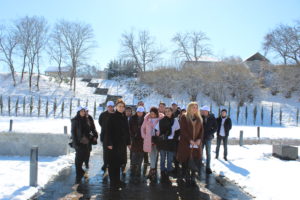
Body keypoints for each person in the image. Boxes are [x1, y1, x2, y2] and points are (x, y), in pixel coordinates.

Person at [106, 99, 131, 190]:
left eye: (122, 106)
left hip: (122, 144)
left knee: (119, 162)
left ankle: (118, 180)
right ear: (116, 107)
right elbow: (108, 131)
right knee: (113, 163)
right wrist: (109, 143)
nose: (121, 108)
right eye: (119, 106)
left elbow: (127, 131)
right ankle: (113, 182)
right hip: (113, 144)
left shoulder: (124, 117)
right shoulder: (112, 117)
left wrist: (128, 142)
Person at [177, 102, 204, 186]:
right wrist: (190, 140)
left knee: (195, 159)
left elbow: (201, 131)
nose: (195, 109)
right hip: (185, 143)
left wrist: (199, 139)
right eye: (193, 107)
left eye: (196, 107)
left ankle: (193, 176)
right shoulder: (184, 117)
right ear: (189, 108)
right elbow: (183, 130)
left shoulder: (199, 118)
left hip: (196, 143)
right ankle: (185, 175)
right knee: (185, 159)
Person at [155, 107, 180, 183]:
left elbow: (178, 131)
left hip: (171, 142)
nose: (167, 113)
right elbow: (156, 130)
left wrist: (175, 138)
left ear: (172, 112)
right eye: (166, 111)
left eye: (169, 111)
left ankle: (169, 171)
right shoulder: (161, 121)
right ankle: (162, 171)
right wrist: (158, 134)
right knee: (162, 158)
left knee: (170, 159)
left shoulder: (175, 121)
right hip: (163, 142)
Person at [141, 107, 164, 183]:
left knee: (155, 155)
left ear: (156, 113)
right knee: (151, 156)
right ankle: (152, 172)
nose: (152, 115)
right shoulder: (147, 119)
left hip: (157, 140)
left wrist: (159, 134)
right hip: (149, 140)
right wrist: (145, 136)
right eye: (151, 114)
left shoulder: (160, 119)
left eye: (154, 114)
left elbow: (162, 129)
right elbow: (142, 128)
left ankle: (152, 171)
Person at [71, 106, 91, 184]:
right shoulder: (75, 120)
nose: (83, 112)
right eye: (81, 111)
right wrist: (75, 144)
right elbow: (73, 132)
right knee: (78, 158)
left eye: (84, 111)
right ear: (78, 112)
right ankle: (78, 173)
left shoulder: (85, 119)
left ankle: (80, 172)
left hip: (85, 142)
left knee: (83, 157)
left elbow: (88, 130)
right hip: (79, 142)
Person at [129, 106, 146, 182]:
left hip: (142, 140)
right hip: (135, 140)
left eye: (141, 112)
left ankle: (139, 169)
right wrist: (132, 136)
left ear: (143, 112)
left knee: (141, 155)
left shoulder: (146, 118)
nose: (139, 113)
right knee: (134, 155)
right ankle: (133, 169)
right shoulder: (132, 118)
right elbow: (129, 128)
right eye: (138, 111)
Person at [98, 101, 115, 174]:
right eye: (109, 106)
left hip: (114, 136)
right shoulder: (103, 114)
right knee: (106, 152)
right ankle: (105, 164)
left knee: (113, 151)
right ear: (107, 107)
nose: (110, 108)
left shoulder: (116, 114)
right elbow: (100, 122)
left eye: (111, 106)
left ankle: (111, 165)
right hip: (105, 135)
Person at [200, 105, 217, 174]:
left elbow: (215, 128)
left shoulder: (212, 118)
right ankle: (199, 165)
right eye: (202, 111)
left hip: (208, 138)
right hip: (201, 137)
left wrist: (209, 133)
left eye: (204, 111)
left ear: (207, 111)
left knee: (208, 153)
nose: (203, 112)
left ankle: (208, 167)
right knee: (200, 152)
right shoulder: (201, 117)